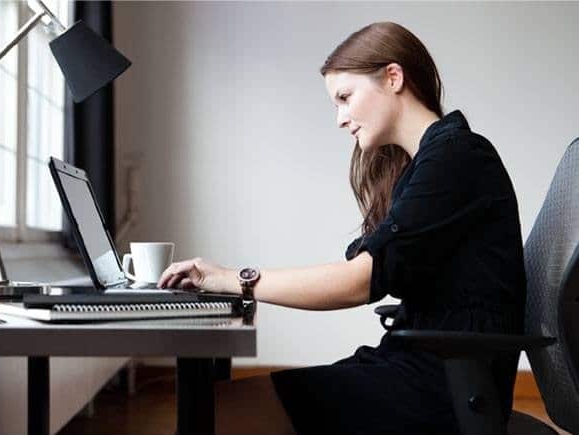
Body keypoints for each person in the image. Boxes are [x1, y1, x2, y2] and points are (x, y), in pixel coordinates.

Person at [158, 21, 526, 435]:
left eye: (345, 98)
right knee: (212, 408)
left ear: (393, 77)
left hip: (443, 389)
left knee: (212, 414)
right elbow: (366, 263)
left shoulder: (457, 157)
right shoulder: (427, 164)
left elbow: (357, 282)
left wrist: (232, 279)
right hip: (418, 368)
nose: (340, 119)